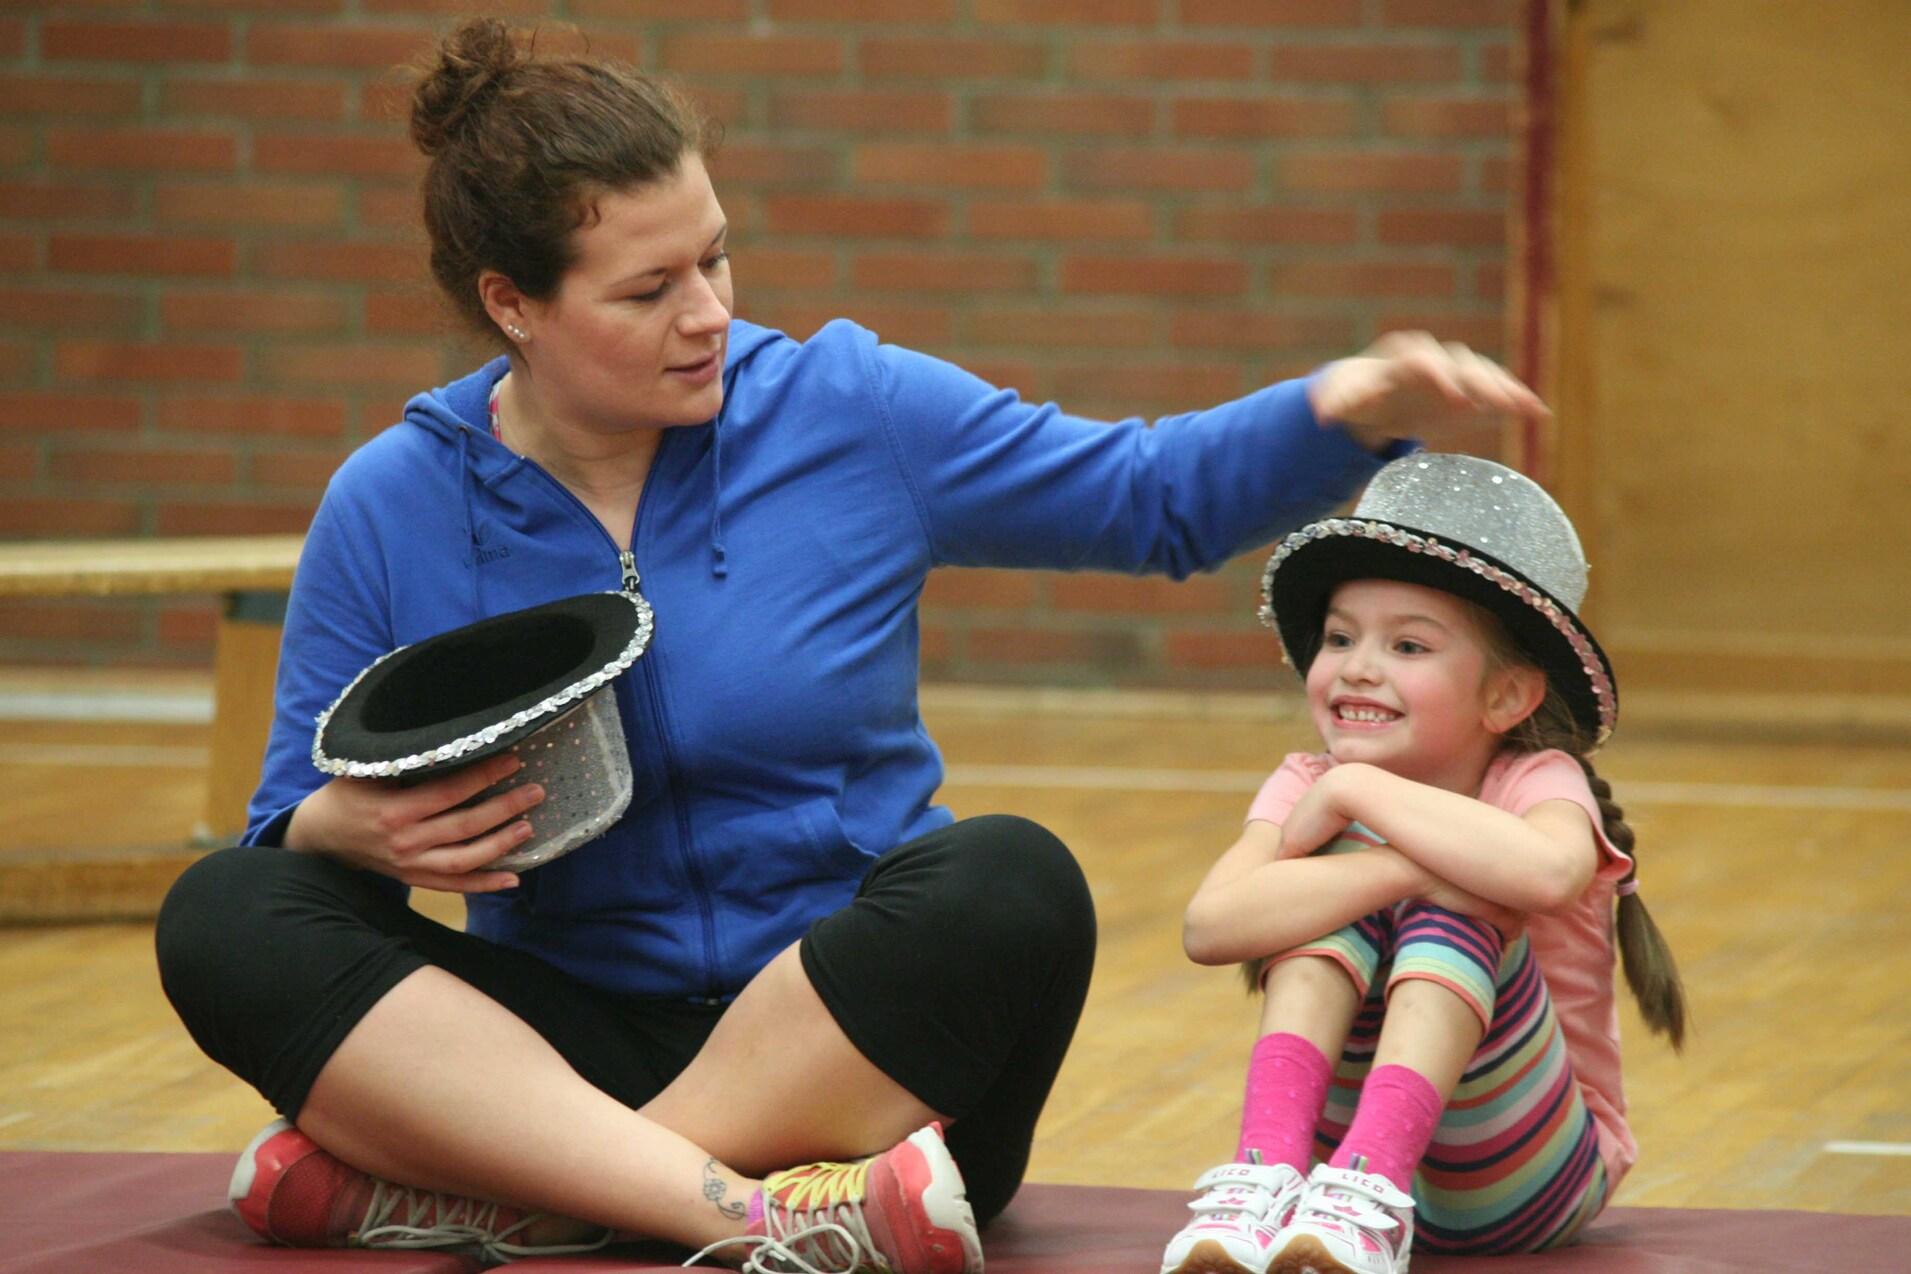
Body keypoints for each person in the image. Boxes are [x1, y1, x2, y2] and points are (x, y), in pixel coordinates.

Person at [153, 18, 1551, 1274]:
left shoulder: (846, 406)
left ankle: (536, 1195)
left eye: (714, 257)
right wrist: (351, 825)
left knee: (1009, 880)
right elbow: (292, 825)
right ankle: (734, 1215)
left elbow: (1150, 500)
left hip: (861, 1049)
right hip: (565, 1040)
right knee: (226, 913)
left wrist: (1343, 403)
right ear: (512, 301)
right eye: (646, 291)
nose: (707, 311)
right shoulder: (390, 501)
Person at [1159, 453, 1687, 1274]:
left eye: (1407, 645)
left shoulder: (1535, 779)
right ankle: (1263, 1173)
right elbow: (1209, 924)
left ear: (1506, 698)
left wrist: (1362, 794)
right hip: (1320, 1192)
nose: (1358, 665)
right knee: (1337, 882)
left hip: (1527, 1176)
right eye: (1340, 638)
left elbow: (1547, 875)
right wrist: (1393, 864)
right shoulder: (1312, 785)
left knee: (1470, 890)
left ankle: (1371, 1185)